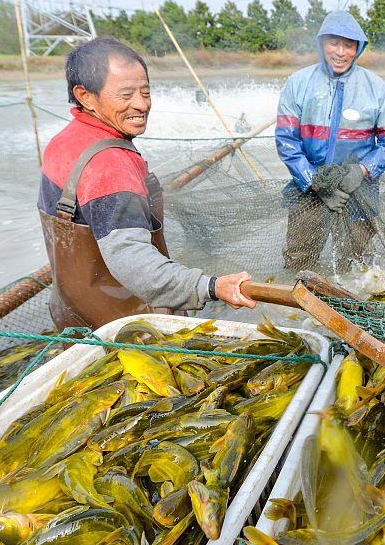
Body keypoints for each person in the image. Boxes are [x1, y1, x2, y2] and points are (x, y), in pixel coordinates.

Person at [38, 37, 256, 330]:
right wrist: (212, 286)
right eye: (126, 94)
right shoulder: (110, 163)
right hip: (132, 327)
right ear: (85, 96)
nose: (141, 104)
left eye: (146, 91)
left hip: (75, 317)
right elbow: (137, 267)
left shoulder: (64, 140)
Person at [275, 10, 385, 270]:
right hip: (308, 193)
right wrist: (314, 183)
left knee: (355, 267)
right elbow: (286, 141)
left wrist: (362, 169)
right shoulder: (298, 82)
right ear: (322, 43)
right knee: (299, 263)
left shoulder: (376, 86)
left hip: (358, 193)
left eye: (349, 44)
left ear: (358, 47)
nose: (341, 52)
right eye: (334, 43)